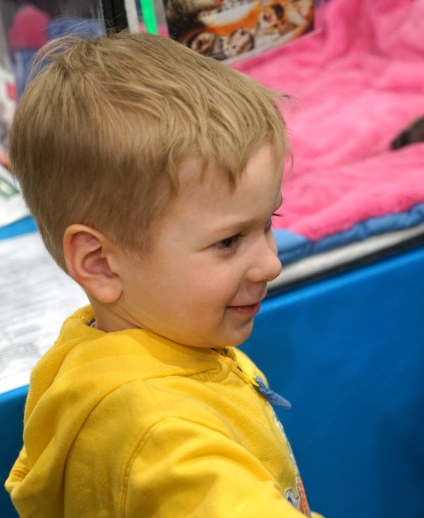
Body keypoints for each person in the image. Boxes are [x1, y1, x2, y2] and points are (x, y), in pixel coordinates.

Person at [5, 32, 324, 518]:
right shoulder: (162, 433)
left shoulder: (110, 344)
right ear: (99, 263)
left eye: (268, 224)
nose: (271, 264)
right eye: (228, 241)